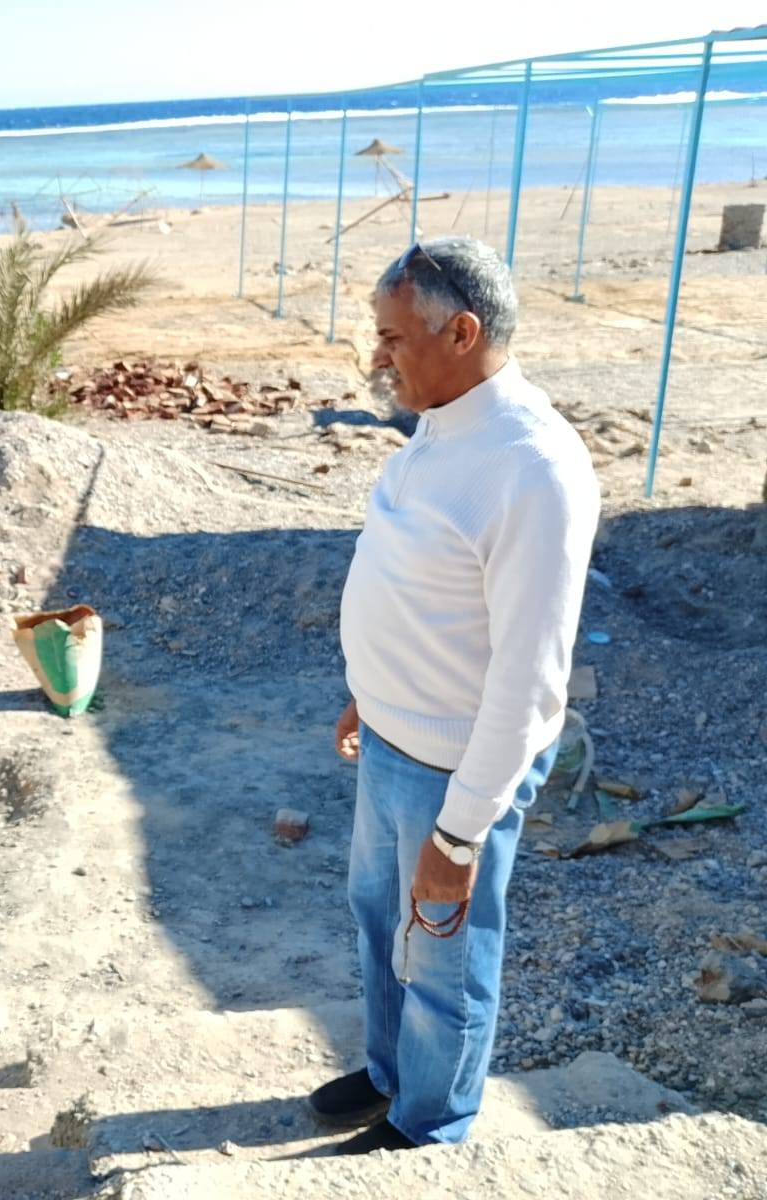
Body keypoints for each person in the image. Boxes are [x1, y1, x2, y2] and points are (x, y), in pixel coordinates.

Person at [310, 237, 600, 1154]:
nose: (378, 357)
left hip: (456, 769)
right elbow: (423, 591)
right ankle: (392, 1073)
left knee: (443, 952)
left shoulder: (533, 469)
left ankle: (430, 1123)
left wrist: (461, 832)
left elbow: (529, 679)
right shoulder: (441, 425)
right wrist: (370, 693)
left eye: (393, 337)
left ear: (461, 333)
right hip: (392, 740)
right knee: (379, 919)